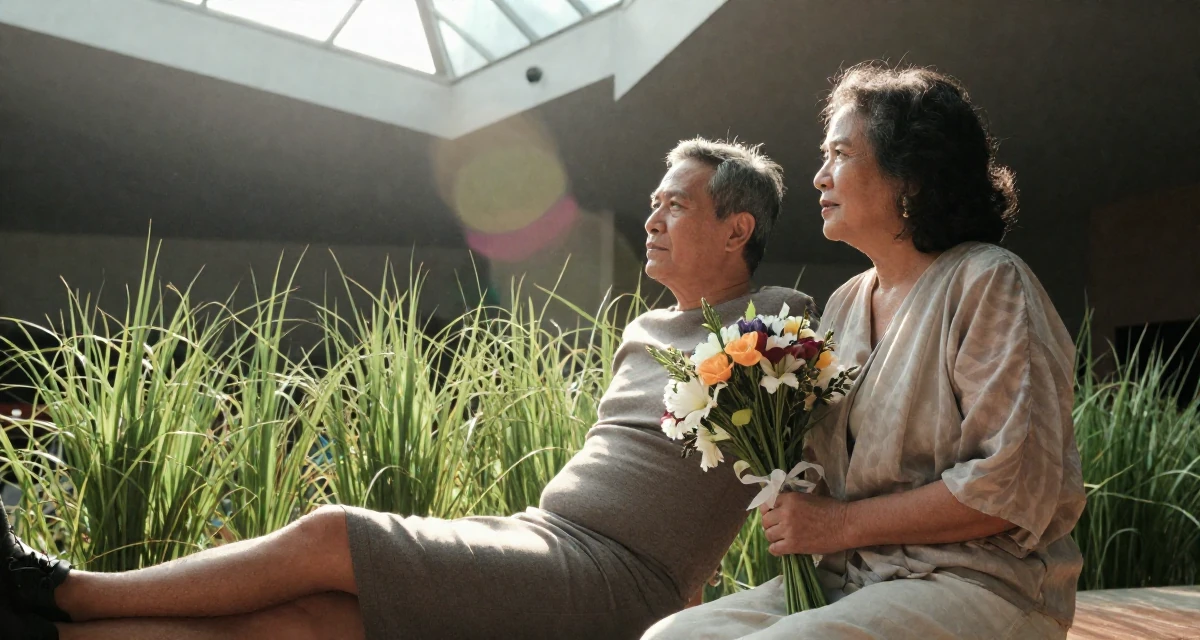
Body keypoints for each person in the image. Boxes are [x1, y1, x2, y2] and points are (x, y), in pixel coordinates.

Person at [0, 138, 813, 640]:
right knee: (304, 626)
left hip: (612, 578)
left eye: (674, 205)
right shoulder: (644, 332)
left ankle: (64, 591)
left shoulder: (780, 324)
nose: (652, 220)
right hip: (544, 537)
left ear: (738, 228)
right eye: (652, 204)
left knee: (329, 534)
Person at [643, 63, 1087, 640]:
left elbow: (1010, 490)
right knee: (670, 637)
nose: (820, 178)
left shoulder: (989, 282)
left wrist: (838, 525)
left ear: (911, 177)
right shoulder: (846, 304)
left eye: (841, 155)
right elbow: (825, 478)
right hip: (849, 580)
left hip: (981, 583)